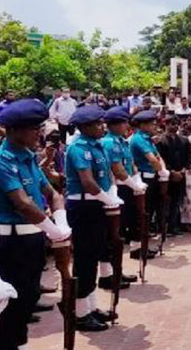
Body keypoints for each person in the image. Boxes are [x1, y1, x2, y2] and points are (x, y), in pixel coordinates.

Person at [0, 99, 70, 349]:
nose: (38, 133)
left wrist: (61, 220)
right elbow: (22, 204)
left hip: (34, 238)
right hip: (12, 242)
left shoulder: (29, 157)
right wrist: (53, 230)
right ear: (12, 130)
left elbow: (51, 192)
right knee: (11, 309)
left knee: (28, 300)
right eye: (32, 128)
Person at [65, 105, 125, 331]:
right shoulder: (78, 148)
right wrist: (105, 198)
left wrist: (110, 194)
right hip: (83, 206)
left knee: (97, 252)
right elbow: (88, 182)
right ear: (85, 127)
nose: (103, 127)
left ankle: (91, 307)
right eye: (98, 124)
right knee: (84, 259)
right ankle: (80, 314)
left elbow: (106, 175)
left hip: (97, 204)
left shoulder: (98, 145)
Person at [99, 106, 146, 290]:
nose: (127, 125)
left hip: (126, 187)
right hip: (116, 189)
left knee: (121, 233)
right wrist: (134, 185)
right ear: (114, 125)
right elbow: (116, 169)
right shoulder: (109, 143)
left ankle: (116, 270)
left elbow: (130, 164)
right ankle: (107, 274)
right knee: (112, 236)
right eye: (124, 122)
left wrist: (137, 180)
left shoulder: (122, 141)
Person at [129, 110, 169, 260]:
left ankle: (143, 247)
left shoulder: (147, 139)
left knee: (149, 213)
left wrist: (163, 170)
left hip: (153, 177)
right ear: (142, 125)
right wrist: (161, 170)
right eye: (151, 124)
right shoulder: (138, 139)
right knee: (142, 215)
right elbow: (152, 159)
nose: (154, 126)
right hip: (144, 179)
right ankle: (137, 248)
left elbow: (158, 156)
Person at [157, 116, 191, 235]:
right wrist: (171, 172)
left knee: (177, 202)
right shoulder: (160, 141)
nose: (174, 126)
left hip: (181, 175)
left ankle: (174, 227)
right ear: (165, 124)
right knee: (165, 202)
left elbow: (188, 158)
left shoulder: (184, 140)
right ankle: (162, 228)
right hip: (166, 177)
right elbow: (160, 159)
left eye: (176, 124)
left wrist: (182, 171)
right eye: (172, 124)